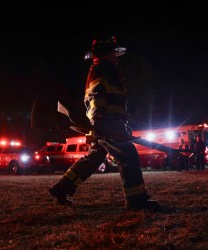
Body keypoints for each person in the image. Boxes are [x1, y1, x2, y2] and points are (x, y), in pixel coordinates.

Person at [49, 35, 160, 210]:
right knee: (127, 154)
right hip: (107, 123)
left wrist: (124, 116)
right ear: (106, 54)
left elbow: (112, 99)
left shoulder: (105, 69)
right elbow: (96, 96)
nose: (117, 57)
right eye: (114, 53)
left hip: (108, 122)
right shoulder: (103, 69)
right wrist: (100, 120)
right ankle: (136, 201)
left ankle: (62, 189)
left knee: (93, 158)